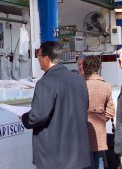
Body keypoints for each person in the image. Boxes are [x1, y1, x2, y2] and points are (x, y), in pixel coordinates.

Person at [21, 41, 90, 169]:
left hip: (54, 157)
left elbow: (39, 115)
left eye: (39, 57)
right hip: (78, 153)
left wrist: (25, 118)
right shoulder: (79, 79)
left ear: (47, 59)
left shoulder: (46, 82)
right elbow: (84, 106)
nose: (38, 60)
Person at [82, 55, 115, 169]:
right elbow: (111, 111)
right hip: (99, 129)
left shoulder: (80, 85)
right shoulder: (106, 86)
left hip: (82, 129)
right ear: (98, 68)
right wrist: (101, 118)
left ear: (84, 67)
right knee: (99, 159)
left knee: (86, 161)